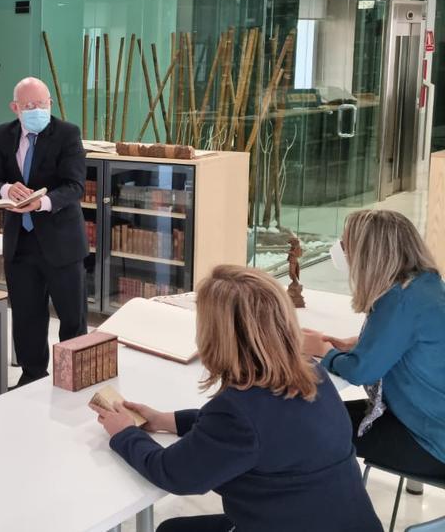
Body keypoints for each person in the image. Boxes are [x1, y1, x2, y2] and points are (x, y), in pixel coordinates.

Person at [93, 265, 382, 532]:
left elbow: (173, 473)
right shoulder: (310, 372)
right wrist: (166, 420)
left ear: (216, 336)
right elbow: (250, 432)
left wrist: (125, 433)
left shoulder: (237, 412)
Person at [302, 209, 445, 480]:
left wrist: (322, 351)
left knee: (307, 426)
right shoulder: (425, 285)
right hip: (430, 423)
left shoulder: (399, 300)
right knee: (314, 416)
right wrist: (356, 345)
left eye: (345, 245)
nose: (340, 251)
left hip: (430, 441)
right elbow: (414, 342)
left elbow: (361, 372)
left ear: (368, 254)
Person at [0, 77, 86, 386]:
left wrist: (41, 202)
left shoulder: (67, 134)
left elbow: (75, 186)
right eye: (29, 106)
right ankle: (32, 375)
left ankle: (72, 378)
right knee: (27, 317)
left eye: (42, 104)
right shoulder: (4, 134)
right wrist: (5, 188)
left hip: (61, 242)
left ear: (50, 104)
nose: (37, 110)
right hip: (21, 242)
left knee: (71, 318)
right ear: (16, 108)